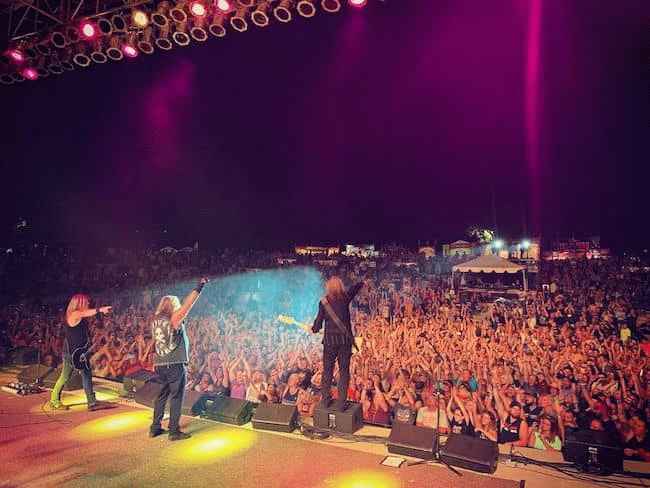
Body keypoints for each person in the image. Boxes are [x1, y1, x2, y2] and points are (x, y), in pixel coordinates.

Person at [149, 278, 208, 441]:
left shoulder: (155, 320)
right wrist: (200, 286)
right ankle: (174, 431)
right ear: (173, 306)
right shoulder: (173, 319)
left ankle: (155, 428)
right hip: (174, 363)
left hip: (160, 363)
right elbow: (188, 305)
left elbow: (155, 342)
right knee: (176, 396)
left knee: (161, 396)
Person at [49, 294, 112, 411]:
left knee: (74, 376)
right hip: (74, 353)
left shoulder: (78, 316)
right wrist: (100, 309)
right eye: (86, 302)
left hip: (78, 352)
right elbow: (86, 313)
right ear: (80, 303)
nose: (88, 303)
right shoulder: (74, 314)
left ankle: (55, 400)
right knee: (75, 376)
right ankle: (91, 403)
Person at [312, 276, 363, 411]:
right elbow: (354, 289)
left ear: (328, 287)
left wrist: (314, 328)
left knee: (327, 371)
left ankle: (325, 401)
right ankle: (341, 403)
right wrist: (362, 282)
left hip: (329, 342)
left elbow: (318, 323)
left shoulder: (323, 302)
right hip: (344, 341)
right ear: (340, 286)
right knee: (344, 371)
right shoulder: (345, 298)